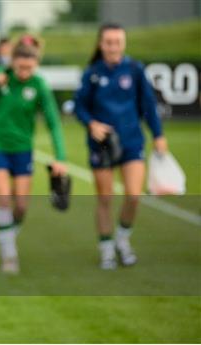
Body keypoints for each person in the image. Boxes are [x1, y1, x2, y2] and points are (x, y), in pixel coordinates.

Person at [74, 23, 168, 270]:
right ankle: (106, 248)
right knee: (105, 199)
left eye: (117, 41)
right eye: (109, 42)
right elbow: (79, 106)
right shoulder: (92, 73)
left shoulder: (135, 69)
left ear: (123, 43)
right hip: (101, 145)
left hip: (131, 142)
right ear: (101, 44)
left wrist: (158, 135)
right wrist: (91, 123)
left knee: (133, 196)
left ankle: (122, 240)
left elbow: (148, 104)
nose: (113, 46)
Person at [0, 35, 68, 274]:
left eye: (29, 68)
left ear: (36, 64)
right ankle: (8, 253)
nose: (24, 72)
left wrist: (61, 157)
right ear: (13, 61)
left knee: (22, 205)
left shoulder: (39, 86)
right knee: (4, 196)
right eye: (21, 67)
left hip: (22, 149)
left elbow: (53, 122)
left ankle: (7, 236)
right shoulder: (0, 76)